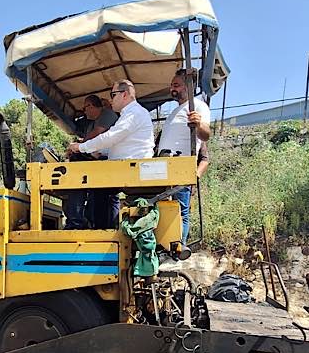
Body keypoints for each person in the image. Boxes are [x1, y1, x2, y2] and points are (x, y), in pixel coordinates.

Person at [67, 80, 155, 228]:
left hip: (133, 168)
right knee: (100, 188)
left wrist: (81, 147)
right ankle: (103, 227)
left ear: (124, 94)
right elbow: (120, 143)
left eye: (113, 95)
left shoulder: (134, 113)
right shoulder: (129, 114)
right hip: (128, 165)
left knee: (98, 185)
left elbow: (110, 137)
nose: (110, 99)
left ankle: (98, 229)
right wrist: (99, 151)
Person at [156, 69, 211, 244]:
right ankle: (166, 245)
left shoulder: (198, 106)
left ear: (189, 86)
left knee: (181, 210)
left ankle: (179, 246)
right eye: (172, 85)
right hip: (164, 164)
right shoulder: (175, 111)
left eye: (177, 85)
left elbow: (205, 135)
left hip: (180, 164)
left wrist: (199, 123)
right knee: (164, 208)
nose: (173, 88)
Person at [65, 95, 119, 229]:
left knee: (80, 178)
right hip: (98, 161)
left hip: (107, 160)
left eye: (85, 108)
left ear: (92, 106)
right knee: (96, 195)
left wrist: (79, 146)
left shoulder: (107, 114)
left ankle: (76, 222)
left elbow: (97, 133)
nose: (84, 112)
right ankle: (87, 222)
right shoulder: (92, 123)